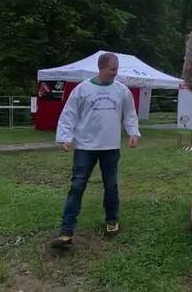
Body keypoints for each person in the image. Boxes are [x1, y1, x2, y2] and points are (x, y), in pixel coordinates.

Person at [51, 53, 140, 248]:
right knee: (77, 186)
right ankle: (66, 231)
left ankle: (112, 221)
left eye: (117, 69)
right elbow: (69, 114)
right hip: (85, 147)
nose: (115, 73)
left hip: (110, 147)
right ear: (101, 68)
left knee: (111, 186)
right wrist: (65, 137)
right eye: (112, 69)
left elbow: (130, 114)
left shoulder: (121, 91)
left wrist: (133, 132)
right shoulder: (82, 89)